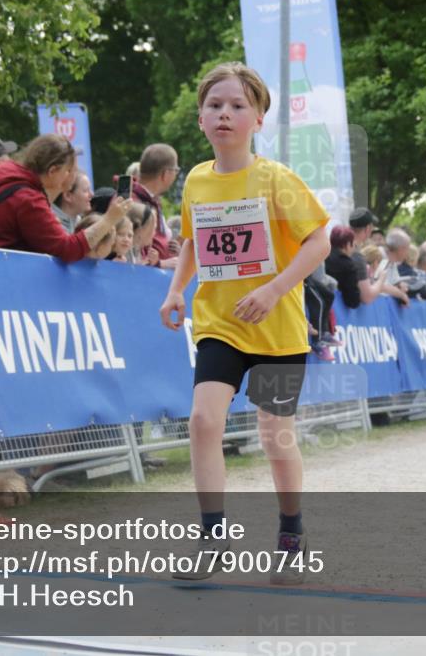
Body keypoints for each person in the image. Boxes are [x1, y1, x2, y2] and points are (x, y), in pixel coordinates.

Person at [158, 61, 330, 585]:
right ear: (200, 120)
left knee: (275, 435)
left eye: (237, 106)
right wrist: (175, 290)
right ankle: (213, 537)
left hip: (277, 330)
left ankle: (291, 531)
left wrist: (275, 288)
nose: (225, 114)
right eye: (215, 106)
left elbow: (319, 241)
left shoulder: (275, 179)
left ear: (258, 118)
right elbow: (191, 241)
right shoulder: (196, 180)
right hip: (220, 324)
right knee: (204, 421)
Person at [0, 134, 124, 262]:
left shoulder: (12, 181)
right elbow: (67, 249)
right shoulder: (29, 200)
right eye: (70, 170)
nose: (73, 175)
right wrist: (109, 220)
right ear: (53, 171)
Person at [133, 143, 181, 268]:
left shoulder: (151, 199)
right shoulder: (134, 203)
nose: (176, 175)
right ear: (165, 174)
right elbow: (132, 251)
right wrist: (161, 264)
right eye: (176, 171)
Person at [324, 225, 363, 309]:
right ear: (348, 244)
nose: (353, 249)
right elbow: (352, 300)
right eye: (353, 245)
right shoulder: (348, 265)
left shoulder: (321, 256)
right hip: (334, 312)